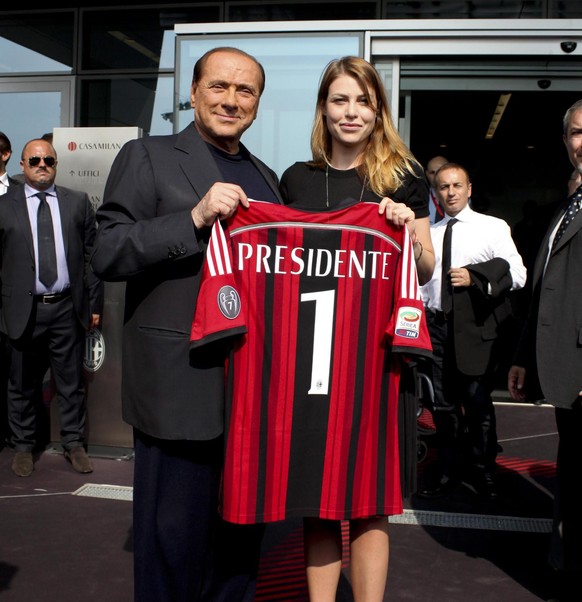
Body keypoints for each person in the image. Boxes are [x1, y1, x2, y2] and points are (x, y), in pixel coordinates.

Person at [90, 47, 283, 602]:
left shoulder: (267, 179)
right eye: (218, 86)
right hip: (179, 381)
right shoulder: (146, 155)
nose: (231, 99)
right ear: (194, 92)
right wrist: (193, 219)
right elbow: (107, 249)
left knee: (242, 539)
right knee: (172, 537)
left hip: (251, 386)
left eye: (245, 91)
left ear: (257, 105)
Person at [277, 55, 435, 602]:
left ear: (378, 110)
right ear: (324, 107)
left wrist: (405, 229)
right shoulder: (296, 178)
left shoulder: (404, 177)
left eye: (363, 101)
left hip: (376, 360)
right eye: (340, 100)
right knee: (314, 498)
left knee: (370, 501)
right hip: (311, 360)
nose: (351, 112)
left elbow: (425, 269)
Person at [508, 99, 582, 600]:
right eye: (578, 133)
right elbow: (548, 285)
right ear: (565, 141)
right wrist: (521, 353)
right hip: (566, 370)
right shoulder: (568, 203)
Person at [418, 162, 526, 500]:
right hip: (435, 328)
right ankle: (449, 470)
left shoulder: (492, 228)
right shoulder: (429, 234)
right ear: (435, 193)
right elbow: (420, 286)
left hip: (477, 331)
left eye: (456, 186)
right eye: (443, 187)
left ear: (469, 189)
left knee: (478, 406)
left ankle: (482, 472)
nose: (449, 192)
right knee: (443, 409)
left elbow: (518, 274)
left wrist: (475, 277)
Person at [0, 138, 103, 476]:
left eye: (48, 160)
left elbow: (92, 258)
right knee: (22, 385)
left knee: (70, 383)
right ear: (22, 165)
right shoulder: (4, 206)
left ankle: (74, 444)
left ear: (56, 163)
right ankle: (24, 446)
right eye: (34, 161)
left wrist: (93, 305)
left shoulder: (77, 203)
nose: (42, 166)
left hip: (65, 309)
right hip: (21, 312)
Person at [424, 155, 448, 224]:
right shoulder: (421, 198)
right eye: (432, 172)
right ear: (427, 174)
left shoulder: (461, 197)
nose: (436, 176)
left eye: (440, 171)